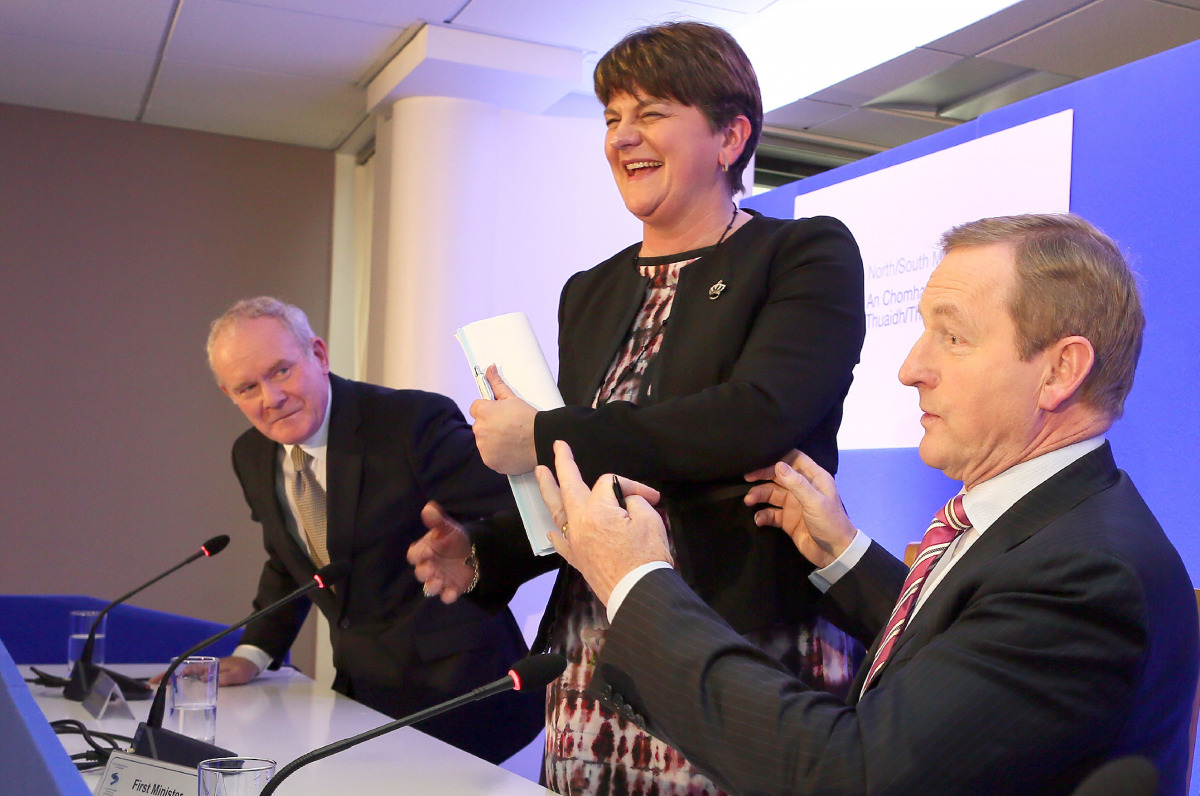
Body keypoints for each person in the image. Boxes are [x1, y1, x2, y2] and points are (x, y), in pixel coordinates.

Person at [534, 214, 1200, 795]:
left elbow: (848, 775)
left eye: (954, 337)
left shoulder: (1088, 578)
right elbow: (961, 660)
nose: (912, 369)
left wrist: (637, 579)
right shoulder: (1054, 530)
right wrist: (843, 553)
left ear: (1060, 370)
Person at [409, 20, 865, 796]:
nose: (623, 136)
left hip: (738, 639)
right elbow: (596, 481)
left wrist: (542, 434)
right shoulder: (590, 291)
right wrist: (485, 552)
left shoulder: (803, 254)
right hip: (598, 644)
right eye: (612, 116)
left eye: (651, 112)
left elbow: (754, 418)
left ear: (730, 137)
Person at [203, 296, 542, 764]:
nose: (271, 398)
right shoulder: (251, 454)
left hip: (465, 693)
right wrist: (254, 652)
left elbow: (526, 506)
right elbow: (289, 559)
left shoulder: (409, 423)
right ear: (229, 394)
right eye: (247, 388)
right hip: (361, 694)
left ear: (318, 354)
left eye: (281, 371)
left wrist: (473, 549)